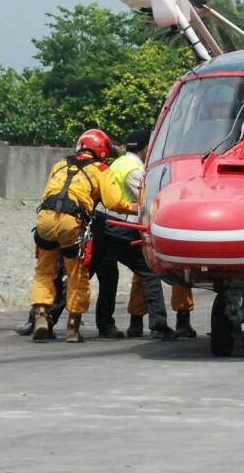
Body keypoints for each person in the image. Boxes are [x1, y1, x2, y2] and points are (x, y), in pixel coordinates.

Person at [28, 129, 131, 343]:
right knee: (77, 272)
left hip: (45, 219)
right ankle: (73, 326)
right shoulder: (101, 169)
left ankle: (40, 315)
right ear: (102, 150)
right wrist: (134, 207)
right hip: (72, 222)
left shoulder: (60, 164)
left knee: (44, 272)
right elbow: (113, 202)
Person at [112, 128, 197, 338]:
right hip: (149, 222)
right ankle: (181, 322)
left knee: (141, 274)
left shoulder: (118, 164)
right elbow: (149, 196)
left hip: (120, 226)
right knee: (179, 272)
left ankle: (135, 322)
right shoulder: (146, 167)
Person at [95, 129, 174, 339]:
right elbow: (145, 200)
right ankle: (158, 325)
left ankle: (46, 317)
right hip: (119, 227)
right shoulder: (135, 169)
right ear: (147, 148)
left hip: (100, 224)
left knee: (100, 274)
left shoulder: (118, 163)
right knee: (148, 271)